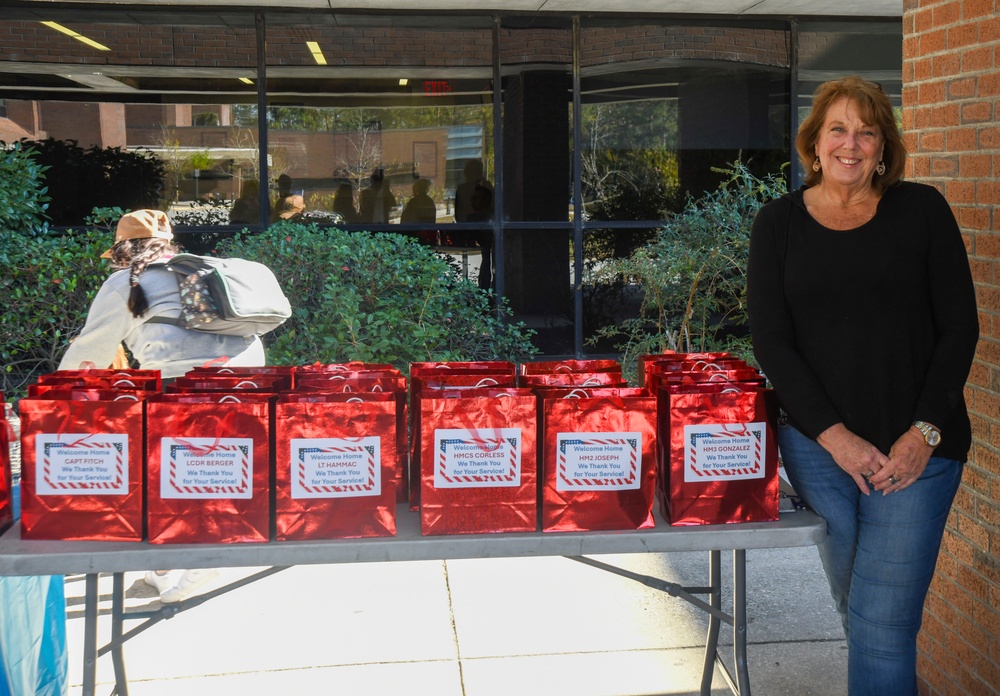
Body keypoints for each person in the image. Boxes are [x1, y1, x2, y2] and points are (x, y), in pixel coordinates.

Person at [747, 76, 979, 695]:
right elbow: (771, 341)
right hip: (820, 453)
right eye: (839, 129)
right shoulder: (778, 223)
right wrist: (836, 439)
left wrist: (923, 433)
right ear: (815, 142)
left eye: (867, 132)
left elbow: (960, 329)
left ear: (883, 147)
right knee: (864, 606)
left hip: (918, 453)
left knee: (881, 622)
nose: (852, 143)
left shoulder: (922, 210)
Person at [59, 209, 268, 603]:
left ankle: (202, 554)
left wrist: (58, 393)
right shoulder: (194, 269)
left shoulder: (127, 279)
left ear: (122, 251)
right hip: (248, 374)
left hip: (185, 378)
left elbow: (93, 345)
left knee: (168, 468)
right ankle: (167, 565)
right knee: (221, 463)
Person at [454, 158, 494, 290]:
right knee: (487, 259)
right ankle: (485, 288)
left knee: (488, 260)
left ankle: (486, 288)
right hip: (473, 227)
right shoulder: (464, 188)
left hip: (484, 227)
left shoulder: (485, 186)